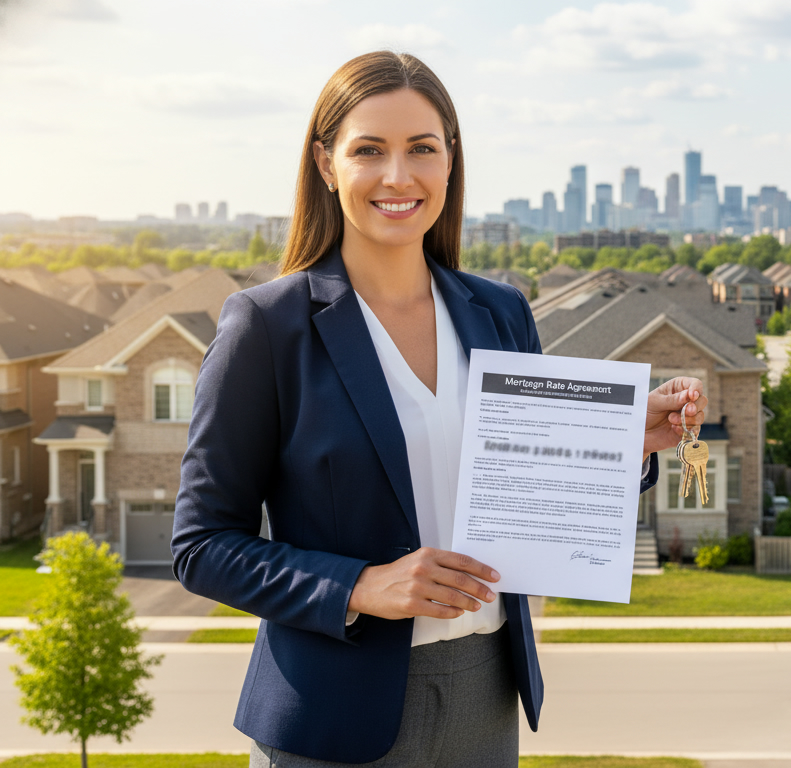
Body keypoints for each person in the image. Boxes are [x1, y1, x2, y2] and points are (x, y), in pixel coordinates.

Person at [171, 51, 708, 767]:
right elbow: (202, 546)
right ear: (326, 164)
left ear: (450, 161)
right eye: (370, 150)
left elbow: (523, 502)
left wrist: (624, 446)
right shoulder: (267, 326)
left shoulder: (501, 311)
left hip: (485, 699)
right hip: (333, 714)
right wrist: (362, 586)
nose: (399, 176)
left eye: (422, 149)